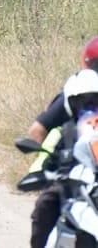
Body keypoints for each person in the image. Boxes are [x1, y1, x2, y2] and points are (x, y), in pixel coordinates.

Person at [25, 38, 98, 248]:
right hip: (78, 175)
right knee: (46, 206)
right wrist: (43, 167)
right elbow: (37, 130)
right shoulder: (79, 93)